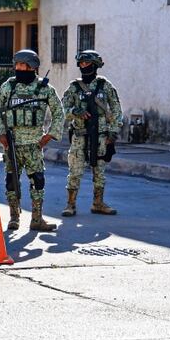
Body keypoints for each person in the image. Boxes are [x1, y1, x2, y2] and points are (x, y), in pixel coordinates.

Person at [0, 49, 63, 232]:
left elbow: (58, 112)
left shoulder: (45, 88)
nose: (18, 69)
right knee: (11, 181)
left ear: (32, 67)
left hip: (34, 145)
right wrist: (1, 134)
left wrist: (49, 135)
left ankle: (37, 219)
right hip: (12, 144)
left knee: (37, 181)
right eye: (16, 65)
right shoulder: (9, 86)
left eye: (22, 65)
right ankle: (14, 218)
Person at [61, 50, 122, 217]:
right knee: (75, 170)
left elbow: (116, 110)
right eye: (81, 63)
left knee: (99, 170)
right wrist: (75, 111)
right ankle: (70, 204)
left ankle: (98, 203)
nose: (83, 66)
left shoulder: (105, 86)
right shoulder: (74, 87)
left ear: (95, 65)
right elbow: (61, 110)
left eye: (87, 63)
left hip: (101, 136)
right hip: (80, 135)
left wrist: (113, 132)